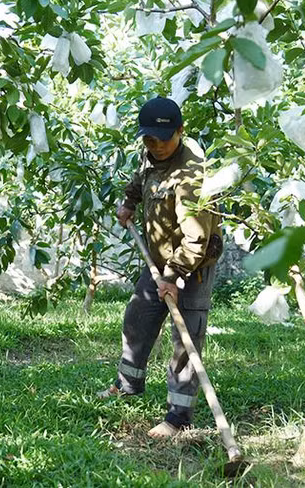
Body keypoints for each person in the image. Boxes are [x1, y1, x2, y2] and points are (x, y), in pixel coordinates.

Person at [97, 96, 222, 439]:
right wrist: (128, 202)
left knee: (186, 339)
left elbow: (196, 239)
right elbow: (141, 179)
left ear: (181, 132)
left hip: (191, 265)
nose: (157, 146)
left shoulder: (191, 178)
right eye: (149, 139)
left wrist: (174, 276)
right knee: (138, 318)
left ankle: (179, 417)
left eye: (164, 140)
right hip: (158, 259)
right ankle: (127, 384)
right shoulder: (151, 153)